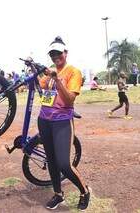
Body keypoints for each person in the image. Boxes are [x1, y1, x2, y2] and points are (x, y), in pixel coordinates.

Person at [38, 36, 91, 210]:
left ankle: (84, 191)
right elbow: (42, 88)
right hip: (44, 120)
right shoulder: (49, 72)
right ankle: (58, 194)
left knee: (64, 164)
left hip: (62, 121)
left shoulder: (73, 72)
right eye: (52, 54)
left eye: (58, 53)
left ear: (65, 53)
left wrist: (58, 79)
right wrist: (35, 71)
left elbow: (69, 100)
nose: (55, 57)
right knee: (51, 160)